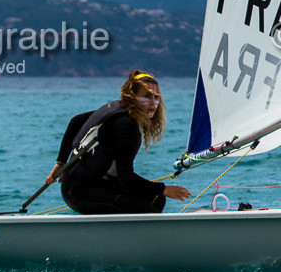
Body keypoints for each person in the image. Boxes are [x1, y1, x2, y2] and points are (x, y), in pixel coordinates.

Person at [47, 71, 192, 214]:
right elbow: (126, 178)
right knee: (146, 209)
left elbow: (76, 121)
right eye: (146, 96)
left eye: (156, 97)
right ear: (132, 98)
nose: (153, 103)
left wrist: (61, 162)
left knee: (156, 198)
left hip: (93, 184)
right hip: (80, 190)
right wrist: (164, 189)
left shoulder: (116, 108)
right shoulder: (126, 127)